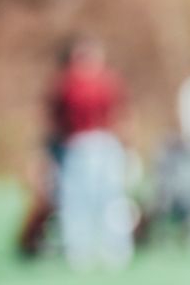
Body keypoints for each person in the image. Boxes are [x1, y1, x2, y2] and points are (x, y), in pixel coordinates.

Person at [18, 36, 133, 268]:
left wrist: (126, 142)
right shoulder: (65, 83)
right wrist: (47, 148)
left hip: (106, 144)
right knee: (77, 200)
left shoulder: (108, 81)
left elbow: (121, 113)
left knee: (111, 198)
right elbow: (53, 118)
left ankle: (115, 248)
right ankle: (80, 249)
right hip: (77, 145)